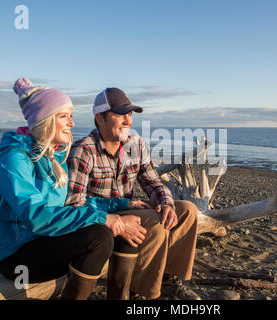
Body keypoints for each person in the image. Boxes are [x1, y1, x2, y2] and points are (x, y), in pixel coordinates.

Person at [0, 78, 147, 300]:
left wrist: (121, 206)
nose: (71, 123)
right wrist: (104, 218)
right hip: (15, 257)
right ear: (45, 120)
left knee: (125, 231)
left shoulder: (54, 157)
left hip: (46, 240)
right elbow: (37, 216)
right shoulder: (13, 161)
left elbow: (75, 201)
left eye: (71, 116)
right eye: (64, 116)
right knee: (99, 235)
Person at [65, 87, 199, 300]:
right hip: (100, 219)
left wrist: (165, 201)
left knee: (187, 210)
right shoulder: (84, 150)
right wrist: (116, 211)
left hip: (127, 207)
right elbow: (74, 204)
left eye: (129, 115)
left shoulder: (135, 144)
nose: (128, 121)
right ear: (100, 118)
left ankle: (169, 279)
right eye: (120, 115)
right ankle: (142, 292)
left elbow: (153, 181)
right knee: (155, 223)